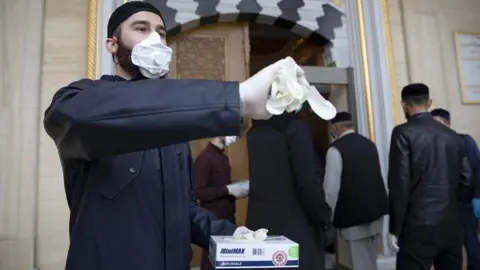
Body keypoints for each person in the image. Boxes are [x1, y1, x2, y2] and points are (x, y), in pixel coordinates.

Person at [42, 2, 310, 269]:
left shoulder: (174, 128)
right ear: (112, 44)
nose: (155, 38)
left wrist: (230, 234)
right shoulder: (78, 99)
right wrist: (236, 98)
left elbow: (181, 209)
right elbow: (81, 119)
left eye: (161, 32)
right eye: (141, 28)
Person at [388, 83, 473, 270]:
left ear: (403, 105)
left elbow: (399, 186)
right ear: (430, 102)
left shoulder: (402, 133)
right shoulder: (453, 136)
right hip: (451, 226)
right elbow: (466, 181)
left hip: (417, 229)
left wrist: (395, 228)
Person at [246, 113, 333, 270]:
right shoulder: (295, 128)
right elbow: (307, 184)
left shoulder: (254, 132)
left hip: (261, 227)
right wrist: (324, 219)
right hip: (295, 228)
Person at [323, 112, 388, 270]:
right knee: (370, 261)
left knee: (358, 264)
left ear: (336, 127)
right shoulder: (369, 144)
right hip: (376, 215)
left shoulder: (335, 150)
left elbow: (331, 190)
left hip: (352, 219)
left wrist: (325, 219)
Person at [431, 108, 480, 270]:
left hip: (464, 203)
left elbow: (478, 170)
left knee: (470, 243)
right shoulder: (431, 145)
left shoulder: (465, 141)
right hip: (442, 206)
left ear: (447, 123)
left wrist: (477, 197)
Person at [193, 136, 249, 270]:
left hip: (228, 217)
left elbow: (220, 185)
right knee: (211, 262)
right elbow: (197, 192)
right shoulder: (205, 158)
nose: (234, 136)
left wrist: (237, 188)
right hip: (212, 220)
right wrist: (227, 190)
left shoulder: (222, 157)